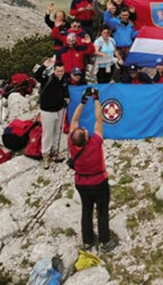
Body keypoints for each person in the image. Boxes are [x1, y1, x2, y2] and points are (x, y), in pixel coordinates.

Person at [68, 88, 117, 253]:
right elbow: (99, 119)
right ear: (85, 138)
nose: (83, 127)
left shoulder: (72, 144)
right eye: (83, 130)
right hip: (99, 182)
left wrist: (82, 101)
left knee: (86, 210)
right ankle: (105, 241)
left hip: (81, 183)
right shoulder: (95, 143)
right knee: (102, 211)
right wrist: (96, 99)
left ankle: (87, 241)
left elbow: (74, 119)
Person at [34, 59, 70, 169]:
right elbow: (37, 76)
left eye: (62, 71)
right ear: (54, 70)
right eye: (58, 71)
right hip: (48, 111)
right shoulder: (48, 79)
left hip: (60, 109)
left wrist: (66, 97)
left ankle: (55, 151)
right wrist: (43, 66)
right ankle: (45, 154)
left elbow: (64, 89)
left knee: (57, 132)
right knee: (47, 133)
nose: (60, 73)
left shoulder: (63, 78)